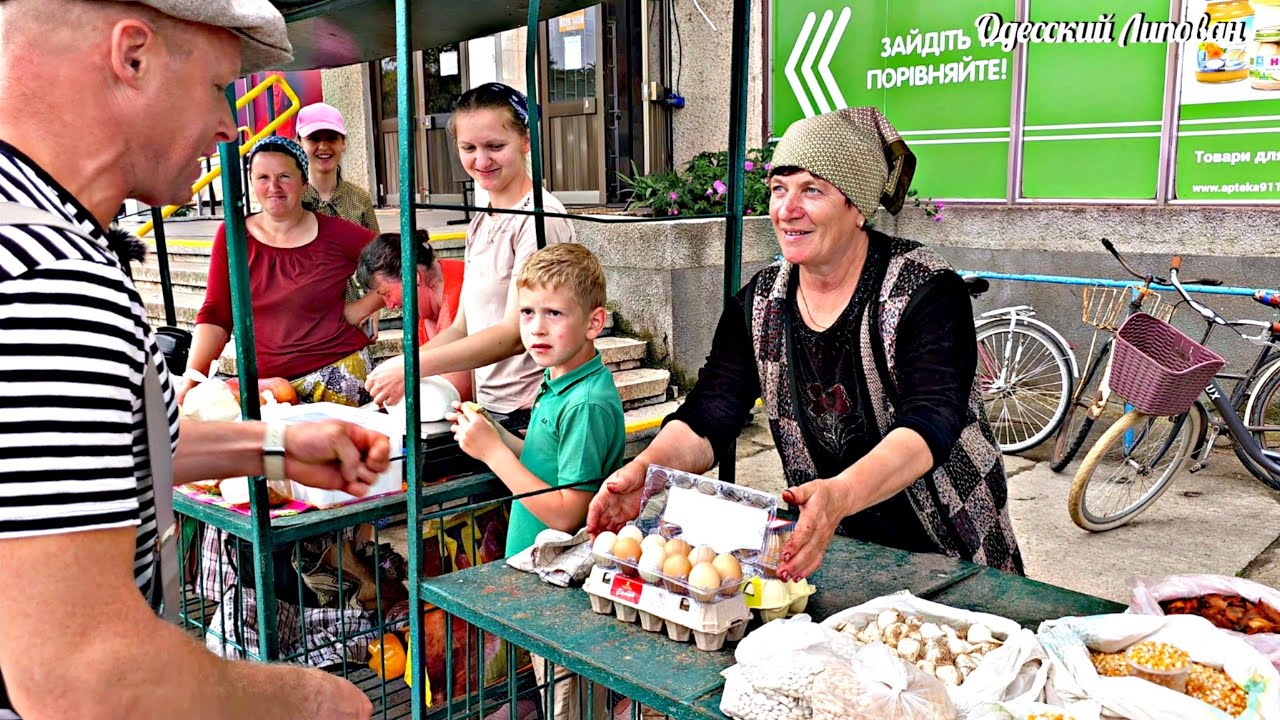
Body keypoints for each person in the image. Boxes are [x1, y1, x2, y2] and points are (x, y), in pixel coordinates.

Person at [0, 1, 385, 718]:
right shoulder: (53, 284)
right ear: (133, 56)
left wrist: (272, 446)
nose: (231, 127)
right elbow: (85, 677)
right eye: (219, 87)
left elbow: (114, 449)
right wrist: (310, 702)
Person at [586, 108, 1023, 581]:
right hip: (831, 548)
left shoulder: (925, 290)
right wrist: (648, 472)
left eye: (811, 190)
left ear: (857, 207)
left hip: (951, 549)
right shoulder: (760, 304)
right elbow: (709, 415)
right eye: (778, 188)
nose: (786, 210)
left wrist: (841, 494)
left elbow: (930, 422)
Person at [450, 243, 622, 720]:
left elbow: (568, 510)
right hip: (538, 577)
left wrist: (491, 455)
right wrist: (496, 436)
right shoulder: (557, 380)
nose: (536, 327)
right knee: (551, 694)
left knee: (569, 703)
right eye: (527, 312)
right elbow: (544, 465)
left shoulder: (586, 403)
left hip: (562, 588)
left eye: (554, 313)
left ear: (593, 322)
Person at [365, 83, 576, 428]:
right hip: (492, 409)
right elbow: (463, 326)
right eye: (469, 148)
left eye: (495, 146)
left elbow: (514, 334)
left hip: (535, 413)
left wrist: (411, 368)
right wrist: (404, 362)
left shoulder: (540, 218)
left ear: (525, 141)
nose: (481, 161)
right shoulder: (480, 221)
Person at [183, 135, 385, 407]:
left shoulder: (336, 233)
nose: (274, 187)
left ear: (304, 182)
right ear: (251, 183)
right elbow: (217, 314)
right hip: (267, 390)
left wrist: (364, 307)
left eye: (284, 177)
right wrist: (192, 381)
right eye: (263, 177)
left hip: (337, 377)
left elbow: (404, 261)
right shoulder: (233, 235)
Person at [356, 229, 471, 400]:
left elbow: (456, 390)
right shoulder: (427, 305)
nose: (389, 305)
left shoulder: (461, 292)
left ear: (414, 277)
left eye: (387, 294)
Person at [296, 102, 379, 233]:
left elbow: (378, 251)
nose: (323, 146)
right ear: (299, 144)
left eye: (331, 138)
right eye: (314, 139)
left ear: (343, 143)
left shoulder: (359, 198)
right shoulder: (291, 198)